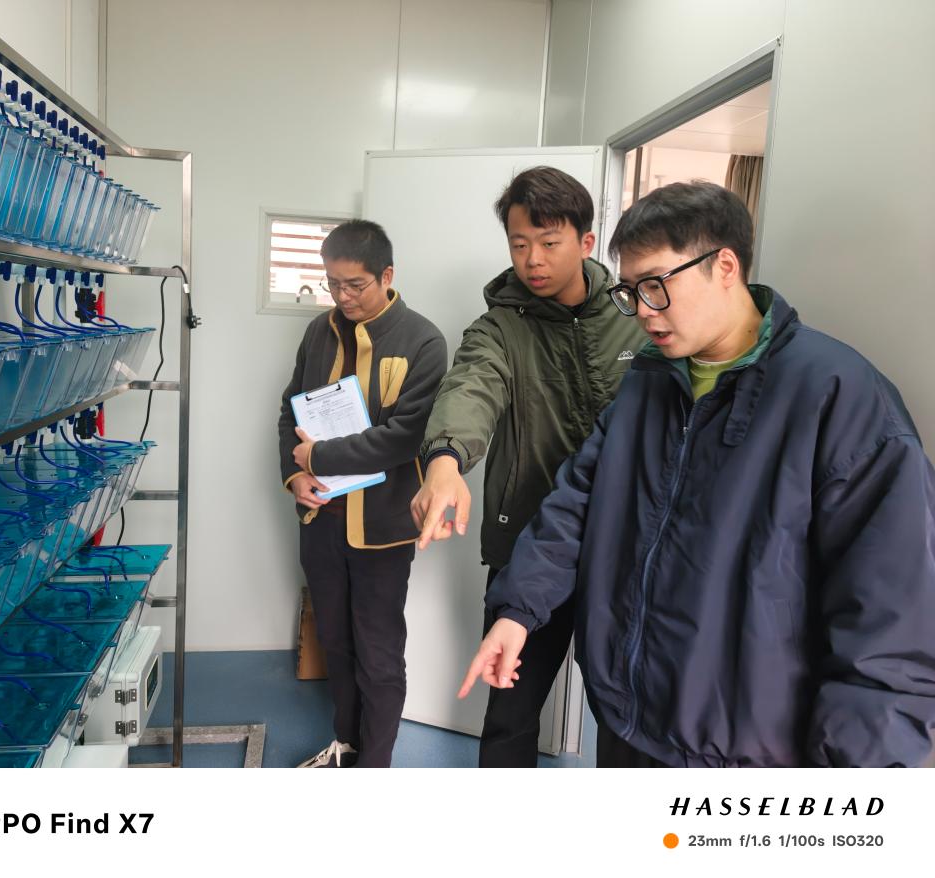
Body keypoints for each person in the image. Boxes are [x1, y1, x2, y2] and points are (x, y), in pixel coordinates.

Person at [459, 181, 935, 767]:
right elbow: (576, 505)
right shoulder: (649, 382)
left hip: (744, 754)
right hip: (628, 724)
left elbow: (890, 624)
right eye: (631, 292)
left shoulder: (839, 399)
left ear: (725, 266)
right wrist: (518, 611)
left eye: (656, 285)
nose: (643, 311)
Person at [412, 166, 647, 766]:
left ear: (586, 242)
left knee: (627, 720)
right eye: (519, 244)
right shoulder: (499, 329)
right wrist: (445, 462)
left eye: (549, 242)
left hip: (625, 549)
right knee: (510, 716)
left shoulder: (637, 317)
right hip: (528, 546)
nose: (533, 259)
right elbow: (471, 388)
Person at [278, 219, 446, 768]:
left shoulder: (423, 340)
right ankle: (345, 747)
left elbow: (404, 438)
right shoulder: (318, 333)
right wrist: (296, 477)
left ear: (387, 276)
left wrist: (318, 458)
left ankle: (375, 767)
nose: (343, 296)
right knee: (336, 641)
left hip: (382, 529)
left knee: (378, 653)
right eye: (333, 284)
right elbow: (289, 412)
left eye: (355, 285)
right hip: (322, 520)